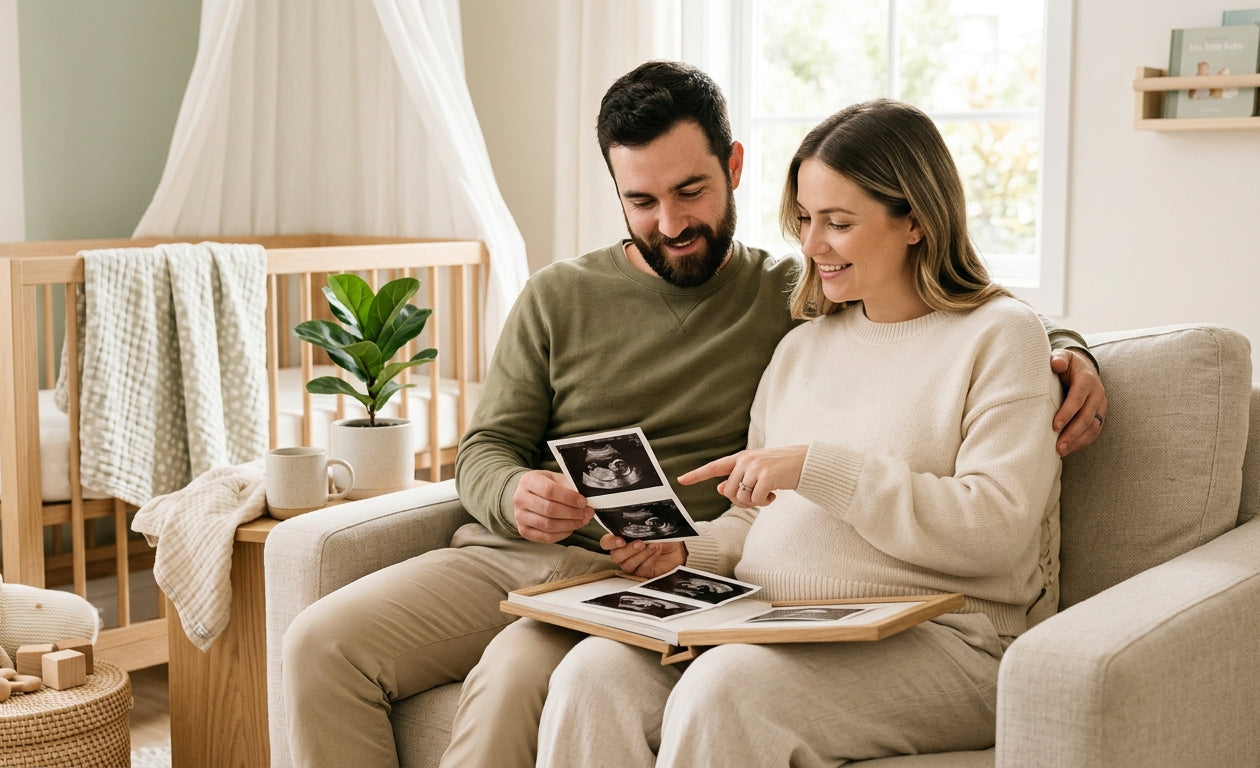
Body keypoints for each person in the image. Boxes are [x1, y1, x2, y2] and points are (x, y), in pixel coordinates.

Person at [279, 61, 1106, 768]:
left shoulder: (792, 300)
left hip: (871, 619)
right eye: (640, 200)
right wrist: (554, 505)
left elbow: (974, 326)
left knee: (652, 681)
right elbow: (499, 449)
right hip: (626, 570)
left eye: (690, 191)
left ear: (733, 166)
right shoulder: (794, 337)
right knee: (390, 651)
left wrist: (1073, 353)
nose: (669, 223)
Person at [535, 97, 1064, 767]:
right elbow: (752, 524)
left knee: (729, 687)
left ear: (916, 222)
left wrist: (821, 467)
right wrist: (682, 553)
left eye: (838, 223)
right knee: (594, 673)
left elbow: (996, 531)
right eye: (807, 220)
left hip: (944, 639)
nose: (811, 246)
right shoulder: (802, 349)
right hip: (772, 622)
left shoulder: (997, 336)